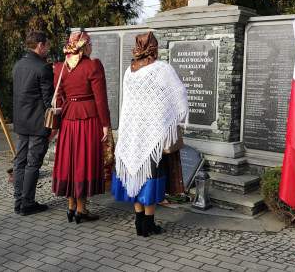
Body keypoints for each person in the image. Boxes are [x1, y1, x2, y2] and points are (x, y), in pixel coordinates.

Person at [111, 32, 188, 237]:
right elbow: (179, 94)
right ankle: (149, 224)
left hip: (133, 131)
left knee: (136, 174)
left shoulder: (130, 71)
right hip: (153, 134)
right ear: (154, 47)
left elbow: (127, 103)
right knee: (151, 175)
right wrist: (171, 116)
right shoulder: (162, 69)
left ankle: (139, 222)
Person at [52, 31, 111, 224]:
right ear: (84, 47)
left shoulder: (60, 68)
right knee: (83, 162)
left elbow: (59, 97)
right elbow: (101, 99)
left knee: (70, 161)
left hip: (69, 119)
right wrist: (105, 125)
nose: (92, 47)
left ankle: (71, 207)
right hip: (89, 118)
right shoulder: (93, 66)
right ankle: (81, 209)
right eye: (90, 44)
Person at [12, 30, 54, 216]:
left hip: (21, 123)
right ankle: (27, 203)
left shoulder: (18, 65)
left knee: (20, 162)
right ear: (40, 45)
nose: (48, 48)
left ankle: (19, 201)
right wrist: (53, 123)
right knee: (32, 164)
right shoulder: (43, 67)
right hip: (38, 124)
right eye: (47, 45)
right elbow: (48, 102)